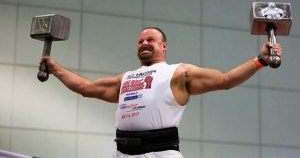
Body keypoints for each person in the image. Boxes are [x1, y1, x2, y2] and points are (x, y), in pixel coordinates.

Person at [40, 27, 282, 158]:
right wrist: (56, 68)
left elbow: (226, 80)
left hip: (160, 154)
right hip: (122, 153)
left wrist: (260, 60)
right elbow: (87, 89)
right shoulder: (126, 78)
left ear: (163, 46)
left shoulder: (179, 73)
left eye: (151, 39)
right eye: (140, 41)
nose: (144, 43)